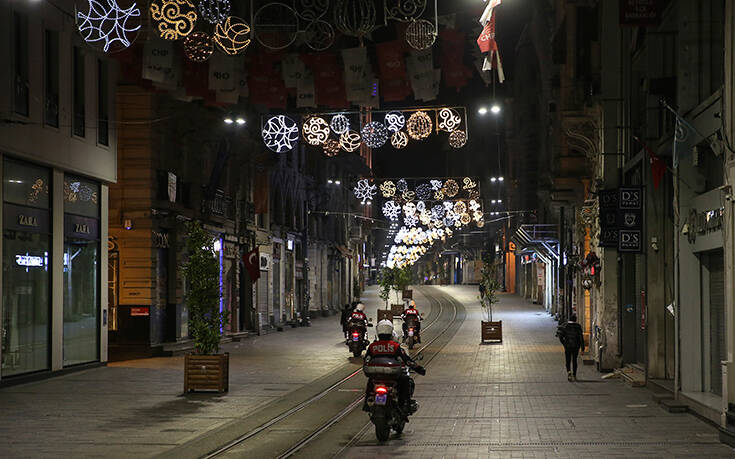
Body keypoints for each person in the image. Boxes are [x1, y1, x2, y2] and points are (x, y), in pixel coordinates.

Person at [363, 320, 425, 412]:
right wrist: (418, 369)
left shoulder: (372, 346)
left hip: (376, 375)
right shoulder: (395, 346)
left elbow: (366, 359)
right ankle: (405, 404)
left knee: (370, 383)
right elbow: (407, 360)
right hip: (392, 376)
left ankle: (367, 404)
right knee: (405, 380)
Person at [558, 314, 584, 381]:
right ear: (575, 320)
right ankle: (574, 374)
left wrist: (564, 344)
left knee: (568, 360)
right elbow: (581, 338)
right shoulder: (578, 326)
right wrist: (582, 348)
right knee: (574, 360)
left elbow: (560, 337)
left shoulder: (565, 326)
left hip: (568, 346)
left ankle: (569, 372)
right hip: (576, 346)